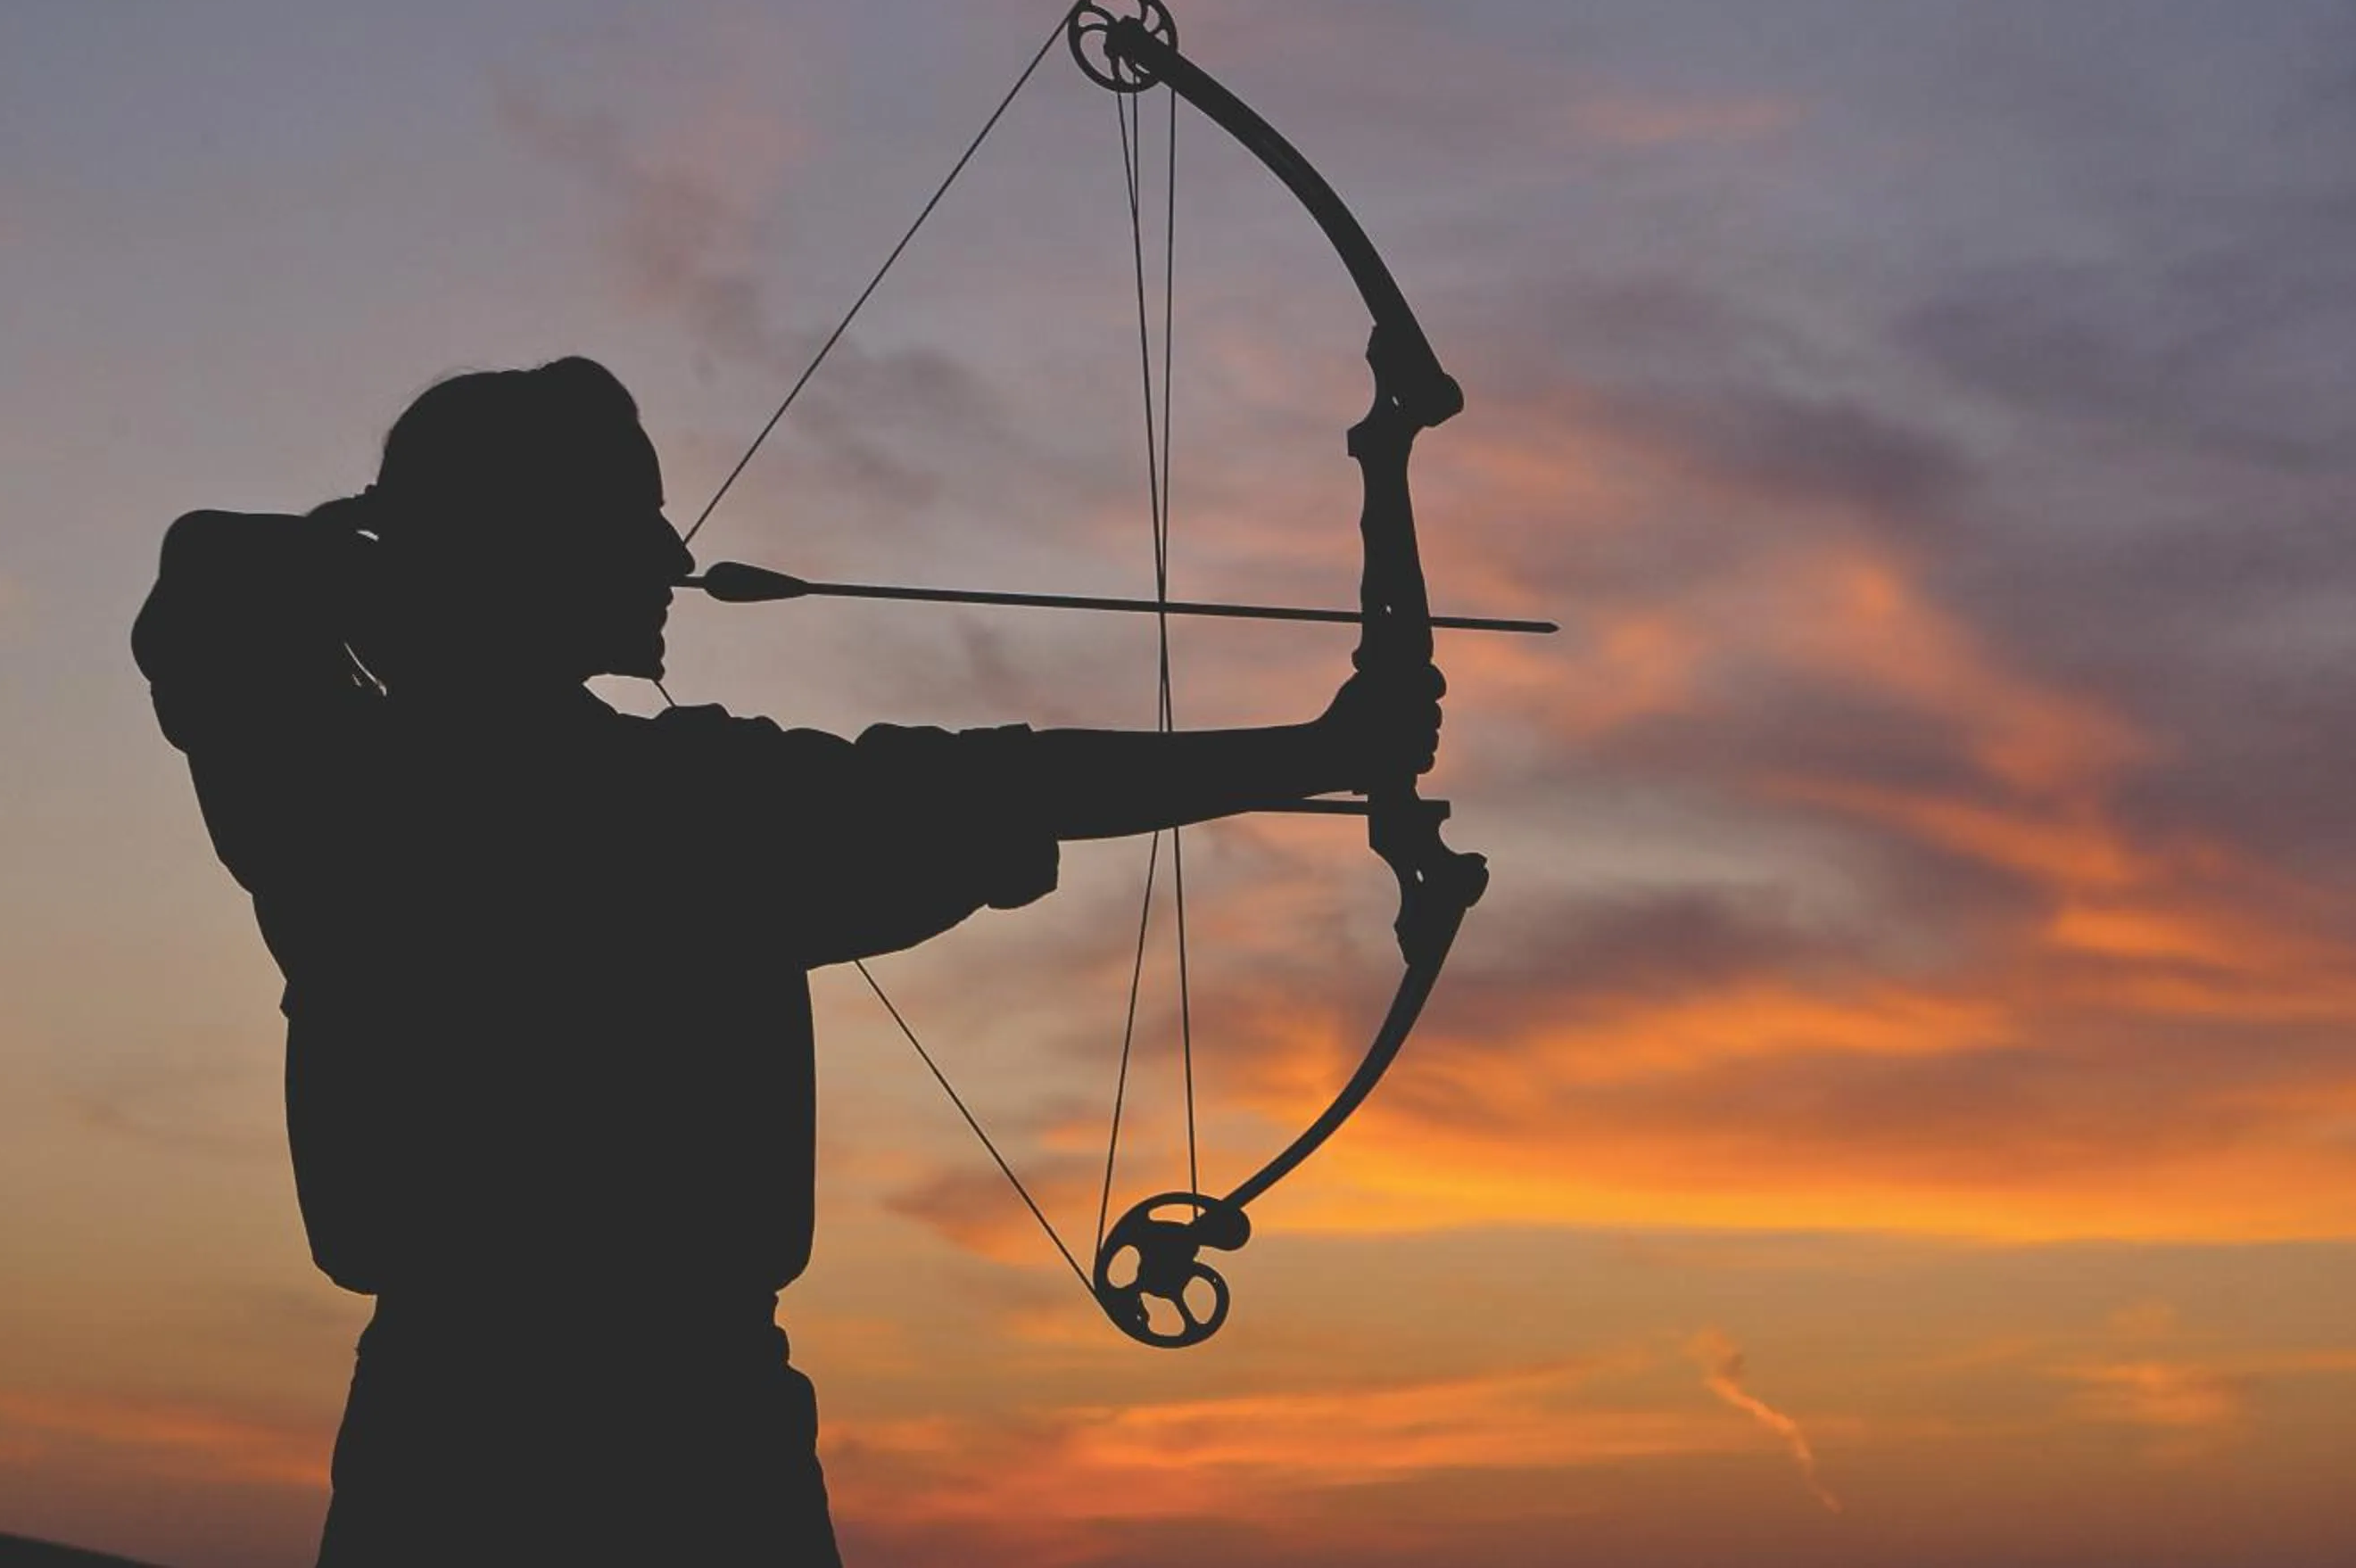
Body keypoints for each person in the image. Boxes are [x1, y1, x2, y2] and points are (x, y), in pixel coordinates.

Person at [131, 356, 1440, 1564]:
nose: (673, 555)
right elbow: (999, 781)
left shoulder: (322, 771)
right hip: (689, 1446)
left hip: (445, 1427)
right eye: (629, 527)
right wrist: (1319, 752)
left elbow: (216, 578)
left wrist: (447, 567)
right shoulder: (676, 802)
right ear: (530, 550)